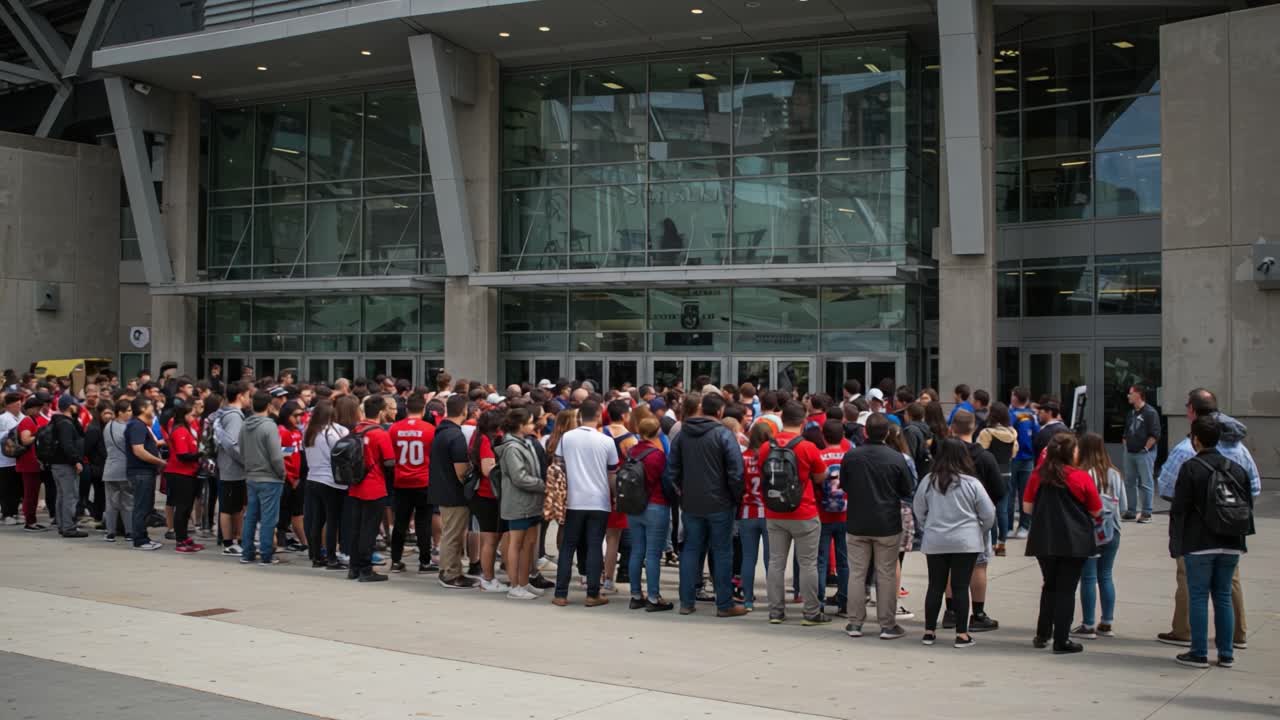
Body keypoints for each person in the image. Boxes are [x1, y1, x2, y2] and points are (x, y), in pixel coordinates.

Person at [1155, 388, 1259, 650]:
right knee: (1228, 586)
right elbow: (1253, 486)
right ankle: (1236, 636)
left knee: (1192, 584)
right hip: (1231, 529)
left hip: (1196, 531)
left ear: (1191, 410)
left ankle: (1186, 632)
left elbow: (1167, 488)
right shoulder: (1238, 448)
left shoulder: (1186, 449)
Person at [665, 392, 745, 617]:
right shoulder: (723, 435)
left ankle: (687, 601)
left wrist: (682, 492)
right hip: (720, 503)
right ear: (720, 412)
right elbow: (736, 472)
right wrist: (735, 497)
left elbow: (672, 470)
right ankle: (724, 604)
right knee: (721, 552)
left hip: (691, 503)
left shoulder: (683, 434)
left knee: (690, 549)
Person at [1024, 433, 1102, 654]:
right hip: (1074, 539)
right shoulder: (1080, 477)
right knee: (1067, 589)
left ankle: (1042, 633)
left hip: (1044, 537)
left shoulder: (1037, 475)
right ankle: (1062, 639)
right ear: (1071, 452)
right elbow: (1096, 510)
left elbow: (1027, 508)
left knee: (1049, 584)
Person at [914, 439, 995, 648]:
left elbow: (918, 509)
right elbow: (988, 513)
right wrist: (979, 530)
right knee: (960, 587)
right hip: (965, 541)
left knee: (935, 585)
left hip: (935, 540)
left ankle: (929, 631)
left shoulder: (929, 481)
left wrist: (928, 526)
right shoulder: (971, 483)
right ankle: (962, 634)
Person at [842, 413, 914, 640]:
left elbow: (844, 485)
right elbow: (907, 489)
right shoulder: (896, 458)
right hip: (887, 523)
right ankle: (887, 624)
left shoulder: (852, 456)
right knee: (885, 574)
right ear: (886, 433)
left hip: (857, 521)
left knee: (857, 573)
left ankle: (854, 623)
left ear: (865, 432)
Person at [762, 401, 829, 626]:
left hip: (774, 511)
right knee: (808, 563)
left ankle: (775, 612)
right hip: (804, 511)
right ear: (803, 422)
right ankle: (811, 612)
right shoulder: (807, 447)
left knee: (776, 562)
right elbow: (820, 476)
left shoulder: (766, 447)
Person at [553, 399, 617, 607]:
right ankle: (592, 593)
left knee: (568, 546)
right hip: (598, 501)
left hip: (573, 500)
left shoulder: (567, 438)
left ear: (580, 415)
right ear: (599, 415)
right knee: (594, 545)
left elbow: (558, 466)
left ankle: (560, 593)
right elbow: (612, 474)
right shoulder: (606, 441)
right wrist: (613, 495)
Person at [1072, 432, 1125, 640]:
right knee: (1106, 575)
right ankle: (1107, 622)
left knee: (1088, 577)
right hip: (1113, 529)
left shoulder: (1082, 473)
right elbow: (1125, 504)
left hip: (1090, 530)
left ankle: (1088, 624)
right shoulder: (1115, 473)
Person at [496, 407, 547, 601]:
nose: (533, 426)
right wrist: (544, 485)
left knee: (530, 543)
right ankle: (515, 585)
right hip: (518, 503)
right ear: (520, 425)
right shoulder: (512, 447)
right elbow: (519, 478)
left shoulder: (525, 443)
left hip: (531, 501)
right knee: (517, 544)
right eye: (530, 422)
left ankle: (524, 582)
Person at [623, 416, 672, 611]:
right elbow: (666, 480)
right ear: (657, 431)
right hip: (656, 504)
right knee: (652, 554)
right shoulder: (657, 455)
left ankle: (636, 594)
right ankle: (653, 597)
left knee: (637, 550)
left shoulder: (632, 452)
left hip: (634, 505)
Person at [429, 394, 477, 589]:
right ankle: (450, 574)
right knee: (453, 535)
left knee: (451, 533)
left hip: (442, 490)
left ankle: (448, 570)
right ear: (464, 410)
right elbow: (461, 472)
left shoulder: (441, 432)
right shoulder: (456, 436)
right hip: (454, 493)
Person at [345, 395, 395, 582]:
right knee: (370, 529)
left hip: (355, 484)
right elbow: (389, 461)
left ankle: (354, 567)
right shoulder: (380, 433)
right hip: (374, 486)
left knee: (356, 528)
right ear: (381, 412)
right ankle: (366, 569)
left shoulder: (356, 429)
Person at [303, 397, 356, 570]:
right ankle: (332, 558)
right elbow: (347, 450)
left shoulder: (309, 431)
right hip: (331, 481)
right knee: (333, 520)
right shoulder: (335, 431)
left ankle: (316, 556)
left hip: (313, 478)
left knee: (317, 520)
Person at [387, 394, 436, 574]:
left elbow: (390, 456)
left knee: (400, 522)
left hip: (401, 481)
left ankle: (395, 560)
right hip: (423, 480)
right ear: (423, 410)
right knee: (424, 523)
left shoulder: (394, 429)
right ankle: (425, 562)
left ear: (406, 410)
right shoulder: (430, 429)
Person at [240, 391, 287, 566]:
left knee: (251, 516)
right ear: (269, 406)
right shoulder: (269, 426)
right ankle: (266, 554)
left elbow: (241, 450)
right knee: (268, 518)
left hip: (252, 475)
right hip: (270, 477)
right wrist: (281, 472)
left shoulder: (245, 424)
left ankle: (247, 552)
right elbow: (276, 456)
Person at [468, 410, 508, 592]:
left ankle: (488, 577)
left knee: (489, 538)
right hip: (487, 494)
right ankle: (488, 578)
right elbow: (487, 469)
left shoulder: (478, 437)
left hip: (485, 495)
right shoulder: (485, 440)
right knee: (490, 539)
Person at [816, 420, 852, 617]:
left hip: (823, 514)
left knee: (821, 561)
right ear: (842, 436)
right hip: (846, 513)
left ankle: (819, 603)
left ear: (823, 436)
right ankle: (844, 603)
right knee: (844, 561)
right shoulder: (849, 456)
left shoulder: (820, 456)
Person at [602, 399, 638, 593]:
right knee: (613, 539)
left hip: (599, 487)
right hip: (619, 490)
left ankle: (593, 575)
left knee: (596, 535)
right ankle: (608, 579)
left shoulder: (600, 433)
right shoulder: (630, 440)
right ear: (624, 415)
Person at [212, 381, 251, 555]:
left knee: (234, 506)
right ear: (240, 395)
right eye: (248, 395)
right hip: (231, 468)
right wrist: (246, 461)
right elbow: (233, 445)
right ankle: (229, 542)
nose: (249, 399)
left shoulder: (225, 413)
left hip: (229, 467)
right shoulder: (234, 416)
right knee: (229, 507)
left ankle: (235, 539)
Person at [739, 421, 773, 612]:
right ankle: (772, 599)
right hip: (769, 512)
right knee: (771, 559)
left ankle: (748, 599)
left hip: (747, 511)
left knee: (748, 557)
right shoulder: (771, 457)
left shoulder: (743, 457)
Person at [163, 402, 204, 553]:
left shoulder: (187, 429)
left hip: (188, 473)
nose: (194, 418)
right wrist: (201, 455)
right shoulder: (180, 430)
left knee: (186, 508)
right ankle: (180, 540)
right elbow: (183, 455)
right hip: (179, 473)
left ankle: (184, 536)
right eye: (191, 415)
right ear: (184, 415)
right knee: (182, 507)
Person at [126, 397, 166, 550]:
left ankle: (143, 537)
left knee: (146, 505)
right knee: (141, 506)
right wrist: (160, 462)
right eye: (150, 406)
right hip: (140, 472)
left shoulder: (141, 425)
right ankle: (140, 539)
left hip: (145, 472)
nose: (153, 409)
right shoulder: (137, 425)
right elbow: (139, 450)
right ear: (142, 409)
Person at [1120, 384, 1160, 523]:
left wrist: (1146, 449)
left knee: (1146, 482)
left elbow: (1154, 434)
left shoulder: (1150, 412)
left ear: (1138, 394)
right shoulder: (1131, 413)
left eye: (1130, 393)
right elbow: (1126, 431)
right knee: (1130, 482)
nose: (1128, 396)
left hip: (1144, 453)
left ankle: (1146, 512)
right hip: (1130, 452)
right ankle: (1131, 511)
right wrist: (1126, 445)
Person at [48, 396, 87, 538]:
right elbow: (67, 445)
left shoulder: (58, 421)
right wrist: (76, 461)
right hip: (66, 465)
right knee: (69, 496)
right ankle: (69, 527)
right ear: (70, 406)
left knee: (62, 495)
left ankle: (62, 524)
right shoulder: (66, 424)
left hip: (57, 464)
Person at [15, 396, 50, 532]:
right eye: (37, 408)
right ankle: (30, 522)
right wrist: (39, 435)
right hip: (28, 463)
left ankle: (32, 520)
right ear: (30, 409)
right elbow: (25, 440)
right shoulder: (27, 421)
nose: (39, 411)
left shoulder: (31, 420)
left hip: (32, 463)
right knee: (30, 493)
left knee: (33, 493)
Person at [1008, 387, 1040, 538]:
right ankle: (1024, 527)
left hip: (1013, 459)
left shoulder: (1011, 415)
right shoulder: (1033, 416)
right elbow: (1037, 436)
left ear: (1015, 398)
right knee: (1025, 494)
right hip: (1028, 459)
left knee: (1009, 493)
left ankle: (1008, 526)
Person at [276, 401, 307, 553]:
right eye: (296, 416)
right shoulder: (283, 432)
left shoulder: (297, 432)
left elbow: (299, 456)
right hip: (287, 479)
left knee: (295, 510)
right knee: (283, 510)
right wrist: (291, 478)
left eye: (301, 415)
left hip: (297, 477)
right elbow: (285, 459)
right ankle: (280, 540)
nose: (299, 419)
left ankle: (298, 540)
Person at [101, 399, 134, 541]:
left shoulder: (108, 426)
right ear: (120, 412)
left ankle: (110, 532)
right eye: (128, 411)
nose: (130, 413)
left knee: (111, 503)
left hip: (109, 469)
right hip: (124, 468)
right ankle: (129, 531)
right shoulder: (126, 428)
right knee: (127, 502)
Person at [0, 392, 21, 525]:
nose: (19, 407)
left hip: (14, 460)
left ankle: (13, 512)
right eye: (17, 404)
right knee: (6, 489)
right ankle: (7, 514)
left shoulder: (16, 417)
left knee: (15, 488)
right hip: (4, 460)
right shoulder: (3, 418)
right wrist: (10, 434)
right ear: (10, 405)